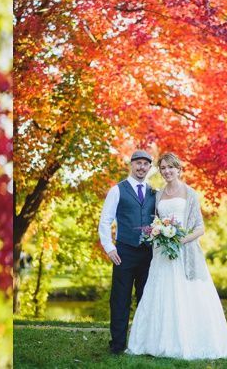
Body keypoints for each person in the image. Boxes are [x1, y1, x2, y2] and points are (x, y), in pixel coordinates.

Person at [126, 152, 227, 359]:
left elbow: (200, 228)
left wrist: (179, 241)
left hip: (185, 253)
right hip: (162, 254)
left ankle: (188, 341)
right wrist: (159, 233)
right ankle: (156, 342)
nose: (166, 171)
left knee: (187, 295)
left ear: (179, 169)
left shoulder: (190, 193)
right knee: (161, 295)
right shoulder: (158, 195)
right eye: (163, 168)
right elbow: (156, 221)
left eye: (170, 167)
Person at [98, 149, 157, 355]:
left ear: (150, 168)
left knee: (146, 299)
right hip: (124, 252)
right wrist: (109, 248)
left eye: (145, 164)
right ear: (131, 165)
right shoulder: (117, 190)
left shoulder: (154, 193)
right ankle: (117, 345)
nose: (141, 167)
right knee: (120, 299)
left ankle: (144, 343)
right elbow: (105, 221)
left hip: (148, 254)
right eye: (138, 163)